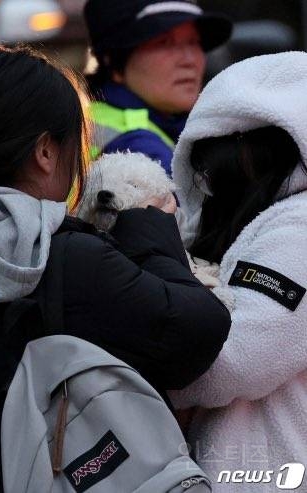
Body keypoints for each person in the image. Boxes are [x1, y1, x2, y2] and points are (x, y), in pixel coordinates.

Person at [0, 45, 230, 493]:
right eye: (75, 146)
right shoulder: (62, 258)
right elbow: (200, 331)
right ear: (46, 152)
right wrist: (153, 235)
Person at [168, 52, 307, 491]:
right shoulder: (271, 222)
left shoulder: (296, 231)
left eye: (219, 149)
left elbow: (236, 358)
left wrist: (143, 372)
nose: (206, 176)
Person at [83, 0, 232, 173]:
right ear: (115, 62)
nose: (189, 60)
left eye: (193, 42)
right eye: (164, 43)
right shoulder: (138, 148)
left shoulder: (97, 115)